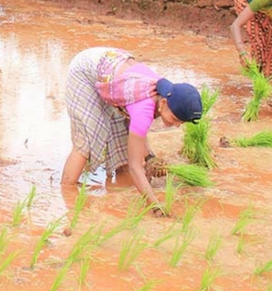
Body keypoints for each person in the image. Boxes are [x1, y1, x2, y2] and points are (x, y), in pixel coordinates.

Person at [60, 47, 203, 213]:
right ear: (163, 103)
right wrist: (155, 206)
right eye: (176, 119)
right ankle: (67, 192)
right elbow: (135, 166)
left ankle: (119, 183)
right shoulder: (144, 107)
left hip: (110, 65)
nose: (177, 125)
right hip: (84, 71)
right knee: (87, 140)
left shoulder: (163, 93)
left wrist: (150, 158)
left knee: (122, 135)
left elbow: (135, 129)